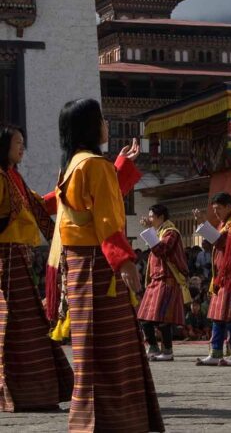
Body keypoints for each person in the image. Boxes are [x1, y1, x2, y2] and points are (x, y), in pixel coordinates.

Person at [50, 98, 163, 432]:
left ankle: (89, 417)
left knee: (90, 345)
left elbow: (89, 204)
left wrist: (119, 165)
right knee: (113, 346)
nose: (106, 124)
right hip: (101, 268)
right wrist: (125, 261)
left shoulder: (71, 165)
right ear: (90, 125)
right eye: (101, 118)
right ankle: (117, 418)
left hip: (78, 267)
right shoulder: (93, 166)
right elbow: (105, 219)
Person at [0, 124, 73, 412]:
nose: (22, 148)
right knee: (14, 324)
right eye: (17, 142)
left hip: (19, 260)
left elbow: (39, 207)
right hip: (5, 261)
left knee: (28, 325)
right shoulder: (2, 178)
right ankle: (16, 391)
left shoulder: (14, 177)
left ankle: (36, 390)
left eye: (22, 143)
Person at [193, 192, 231, 366]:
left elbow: (222, 243)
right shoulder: (225, 223)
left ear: (229, 206)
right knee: (217, 317)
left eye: (219, 208)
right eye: (214, 209)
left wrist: (203, 224)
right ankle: (215, 352)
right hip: (221, 277)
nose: (216, 213)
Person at [138, 204, 189, 362]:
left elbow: (162, 250)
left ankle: (167, 351)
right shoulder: (159, 232)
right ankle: (153, 347)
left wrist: (149, 231)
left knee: (163, 318)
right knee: (144, 318)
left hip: (167, 280)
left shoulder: (171, 232)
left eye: (152, 216)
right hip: (155, 280)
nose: (150, 219)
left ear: (161, 217)